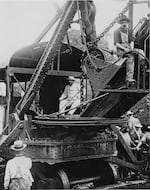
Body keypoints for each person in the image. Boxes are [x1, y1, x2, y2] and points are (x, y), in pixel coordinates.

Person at [114, 15, 136, 86]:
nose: (124, 23)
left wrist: (131, 47)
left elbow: (131, 41)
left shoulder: (129, 31)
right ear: (120, 23)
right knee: (130, 57)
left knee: (140, 53)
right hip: (121, 50)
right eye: (123, 22)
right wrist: (125, 49)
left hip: (128, 48)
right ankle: (129, 78)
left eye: (125, 22)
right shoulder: (117, 31)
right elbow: (117, 44)